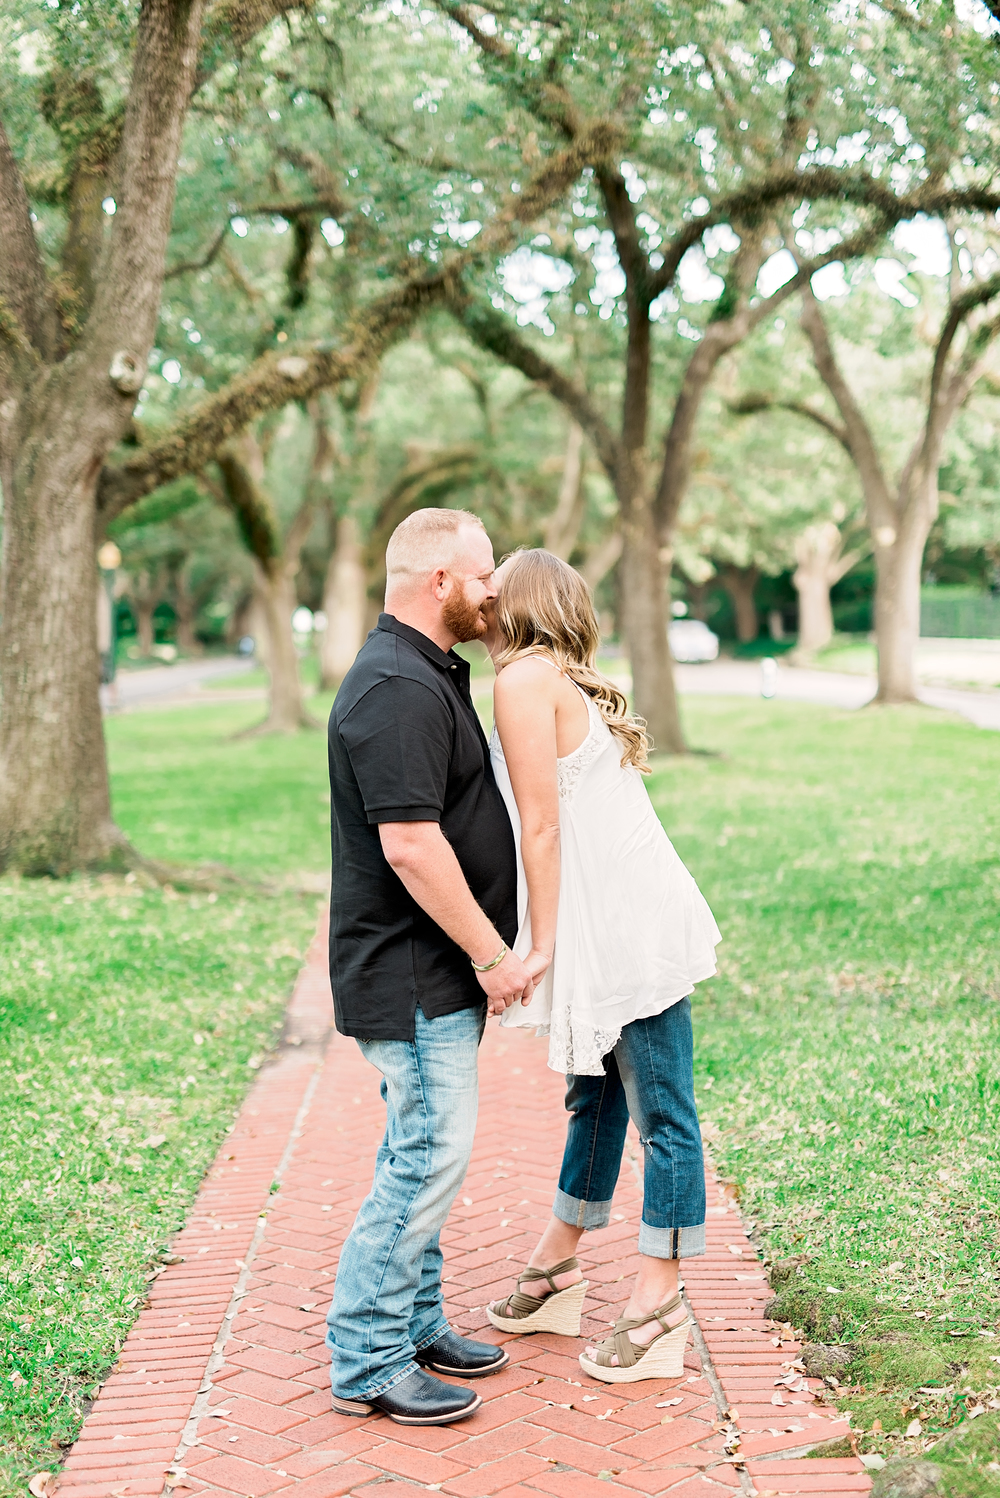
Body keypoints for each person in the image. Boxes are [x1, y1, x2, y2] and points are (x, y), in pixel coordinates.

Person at [483, 549, 721, 1384]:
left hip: (627, 930)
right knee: (596, 1094)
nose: (478, 596)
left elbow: (540, 829)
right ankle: (557, 1270)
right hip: (616, 919)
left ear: (514, 603)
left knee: (664, 1112)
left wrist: (536, 948)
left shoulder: (522, 680)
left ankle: (658, 1310)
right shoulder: (558, 678)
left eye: (491, 585)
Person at [325, 508, 533, 1426]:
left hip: (431, 970)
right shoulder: (397, 688)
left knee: (425, 1151)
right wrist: (491, 953)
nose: (495, 591)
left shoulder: (426, 673)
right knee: (425, 1156)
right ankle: (368, 1358)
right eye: (484, 575)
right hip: (411, 971)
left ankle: (414, 1324)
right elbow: (410, 846)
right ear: (440, 581)